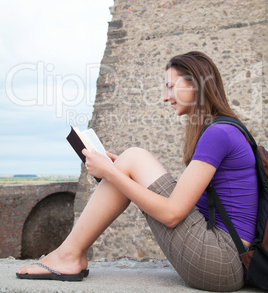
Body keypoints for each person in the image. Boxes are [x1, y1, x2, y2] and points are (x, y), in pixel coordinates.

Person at [17, 51, 258, 291]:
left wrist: (113, 174)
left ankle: (68, 255)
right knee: (129, 161)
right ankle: (71, 254)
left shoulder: (217, 133)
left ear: (195, 83)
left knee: (132, 159)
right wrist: (122, 170)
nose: (166, 97)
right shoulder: (224, 129)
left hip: (223, 262)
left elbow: (173, 213)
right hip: (231, 259)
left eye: (170, 87)